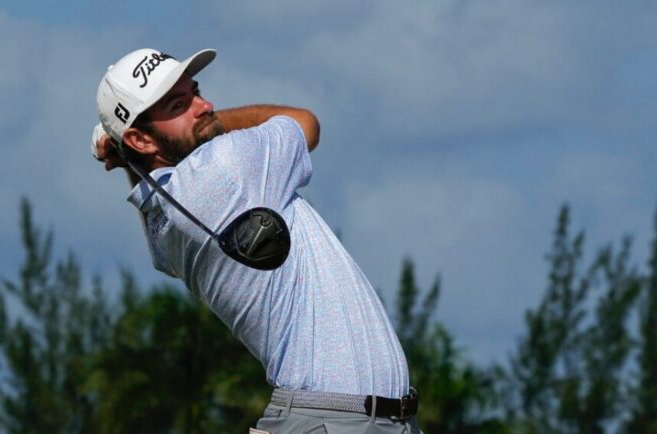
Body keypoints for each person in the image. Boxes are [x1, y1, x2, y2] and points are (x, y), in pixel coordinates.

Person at [93, 48, 421, 433]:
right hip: (333, 421)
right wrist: (207, 126)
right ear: (141, 139)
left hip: (344, 420)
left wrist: (127, 152)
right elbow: (305, 122)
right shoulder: (227, 165)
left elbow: (152, 185)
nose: (206, 106)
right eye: (179, 104)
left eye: (196, 92)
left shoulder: (162, 228)